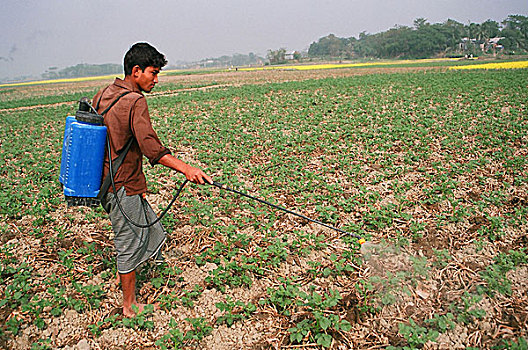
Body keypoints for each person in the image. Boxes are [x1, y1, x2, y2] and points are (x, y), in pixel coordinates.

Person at [93, 42, 212, 317]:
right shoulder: (135, 101)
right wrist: (187, 169)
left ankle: (126, 279)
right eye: (153, 73)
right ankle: (129, 304)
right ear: (136, 71)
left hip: (110, 184)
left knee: (151, 229)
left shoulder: (104, 94)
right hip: (121, 185)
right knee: (129, 240)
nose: (156, 80)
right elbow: (151, 148)